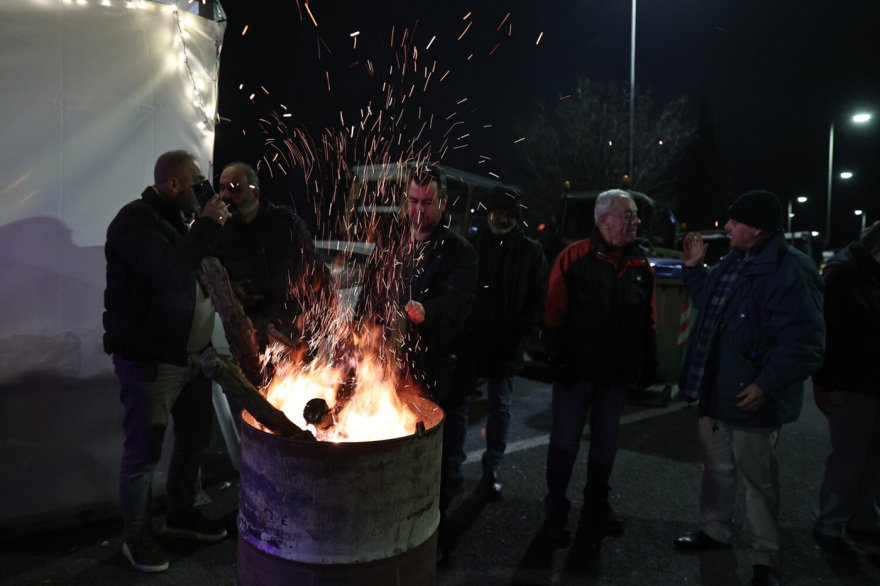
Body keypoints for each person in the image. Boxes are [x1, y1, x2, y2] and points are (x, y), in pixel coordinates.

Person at [673, 190, 824, 586]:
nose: (726, 228)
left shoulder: (790, 269)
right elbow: (710, 302)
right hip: (717, 389)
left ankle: (764, 558)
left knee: (758, 479)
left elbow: (804, 342)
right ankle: (714, 530)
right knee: (716, 468)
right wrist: (693, 269)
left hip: (752, 394)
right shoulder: (731, 262)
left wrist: (766, 384)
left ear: (757, 228)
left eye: (735, 222)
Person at [104, 150, 230, 573]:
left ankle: (180, 515)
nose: (203, 190)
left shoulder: (181, 222)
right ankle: (136, 534)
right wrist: (208, 224)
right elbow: (169, 271)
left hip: (193, 357)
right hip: (152, 360)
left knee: (194, 439)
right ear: (173, 185)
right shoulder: (135, 222)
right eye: (196, 182)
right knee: (144, 451)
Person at [541, 189, 657, 546]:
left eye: (636, 215)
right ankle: (555, 512)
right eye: (629, 215)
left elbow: (648, 318)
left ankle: (596, 507)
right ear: (604, 219)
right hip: (576, 373)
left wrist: (647, 364)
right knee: (565, 444)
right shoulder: (573, 257)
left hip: (615, 376)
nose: (636, 221)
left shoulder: (640, 264)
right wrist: (559, 361)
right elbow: (553, 313)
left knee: (605, 445)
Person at [457, 186, 549, 501]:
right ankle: (453, 468)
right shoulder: (470, 246)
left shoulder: (530, 251)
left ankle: (491, 468)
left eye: (509, 215)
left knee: (500, 406)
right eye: (498, 213)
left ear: (517, 218)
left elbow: (538, 298)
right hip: (472, 339)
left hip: (507, 342)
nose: (502, 219)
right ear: (488, 214)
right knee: (460, 404)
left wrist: (523, 331)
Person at [395, 164, 478, 510]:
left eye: (427, 202)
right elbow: (372, 295)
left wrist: (428, 311)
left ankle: (434, 524)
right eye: (413, 200)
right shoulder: (392, 243)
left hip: (437, 365)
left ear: (443, 203)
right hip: (394, 363)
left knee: (433, 453)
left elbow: (459, 304)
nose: (419, 210)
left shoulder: (460, 252)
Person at [812, 221, 880, 558]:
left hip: (869, 380)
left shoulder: (866, 273)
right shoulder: (843, 277)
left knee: (870, 458)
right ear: (876, 250)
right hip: (853, 383)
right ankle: (831, 522)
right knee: (849, 457)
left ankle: (862, 516)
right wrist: (831, 383)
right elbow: (830, 338)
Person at [213, 162, 327, 350]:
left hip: (284, 329)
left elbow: (311, 268)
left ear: (255, 193)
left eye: (235, 190)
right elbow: (206, 276)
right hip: (239, 332)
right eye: (222, 188)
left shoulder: (284, 223)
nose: (226, 196)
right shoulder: (217, 229)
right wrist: (235, 291)